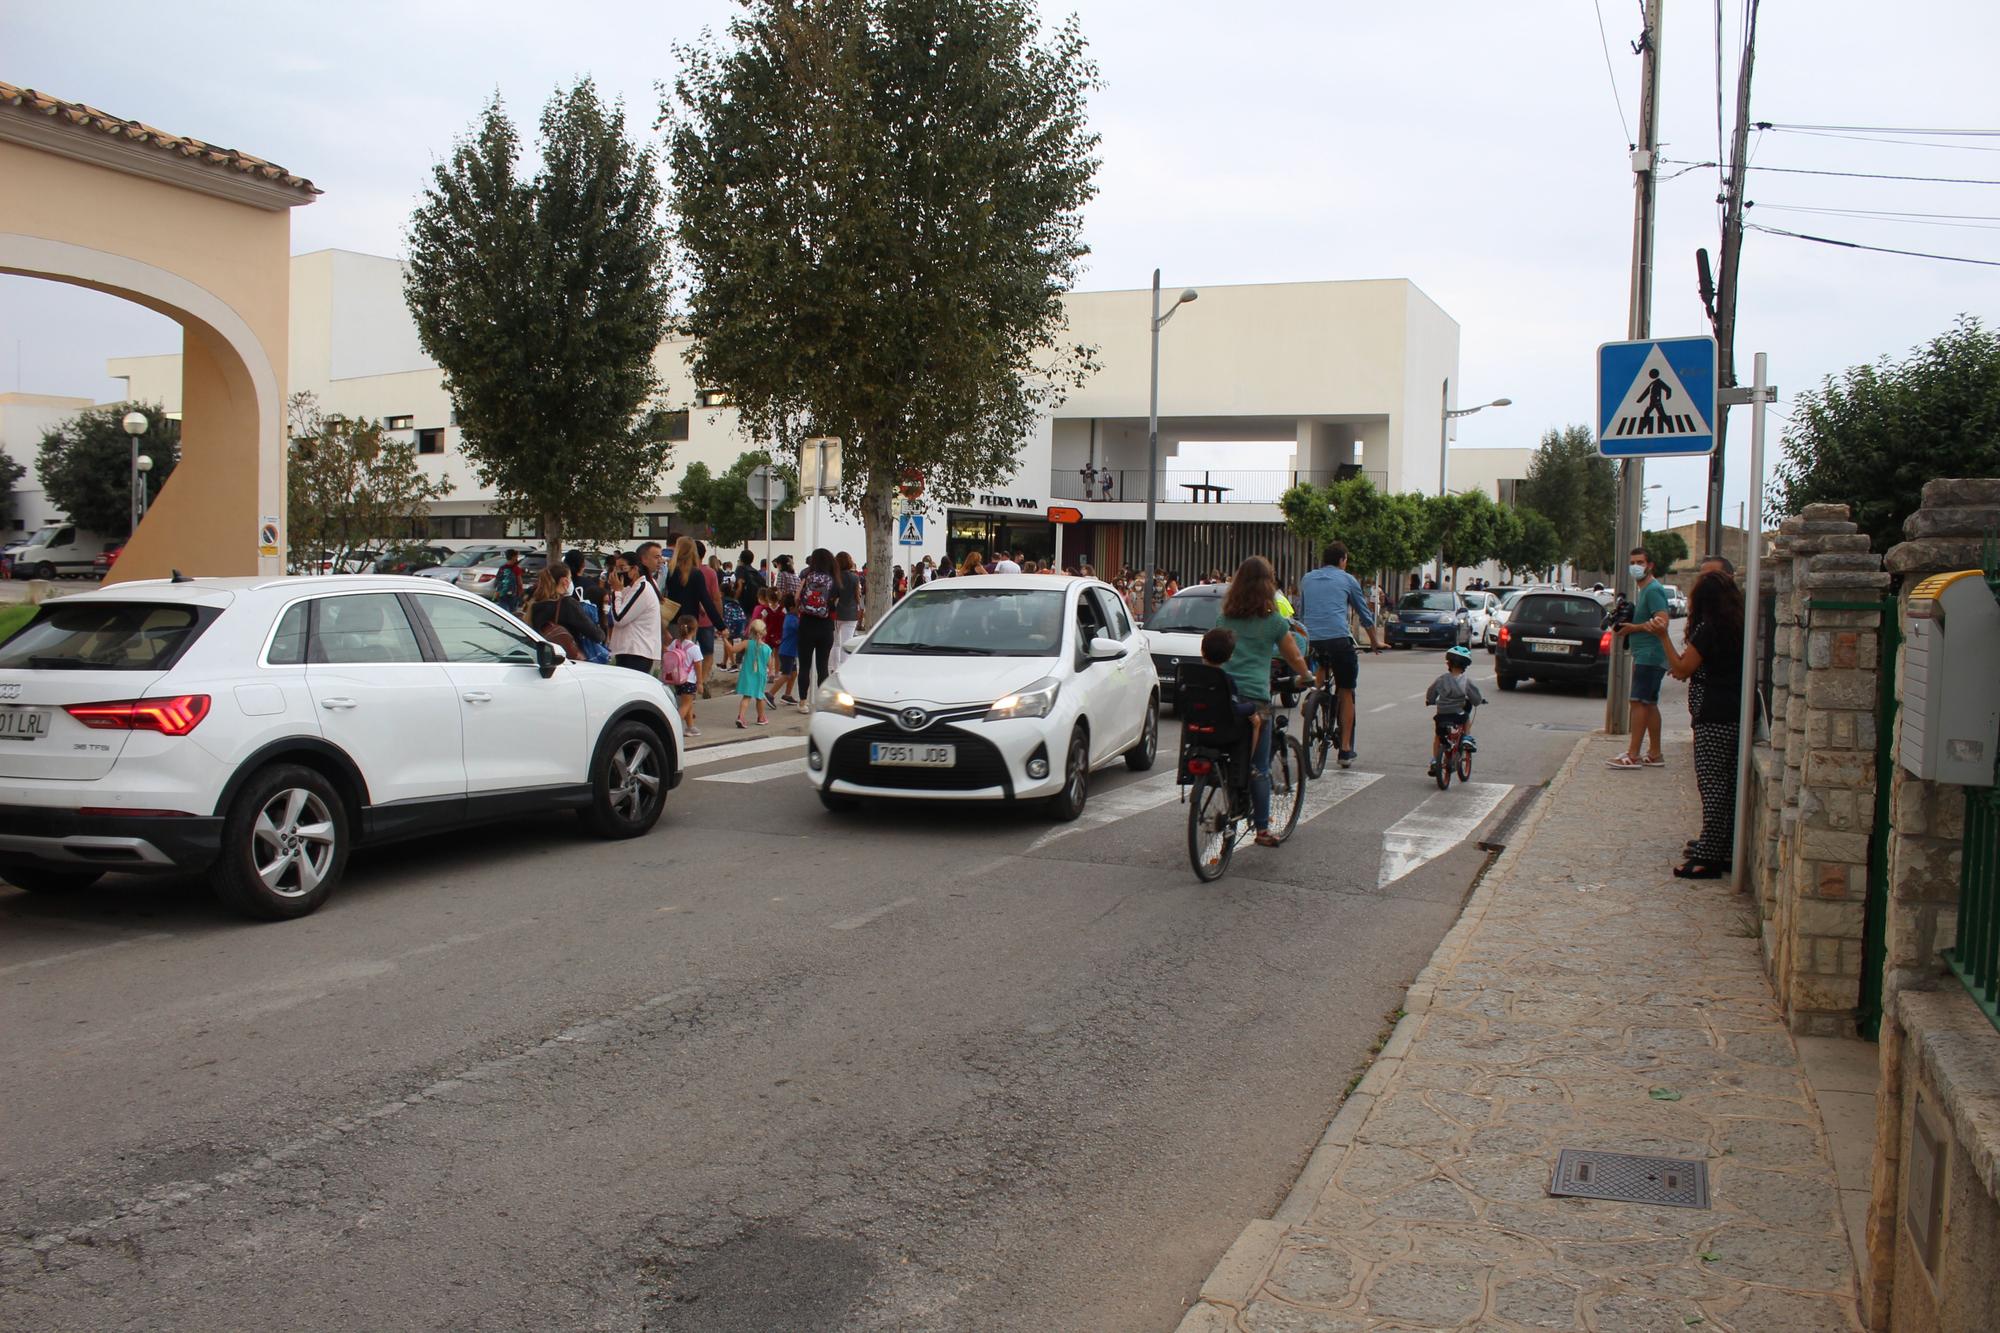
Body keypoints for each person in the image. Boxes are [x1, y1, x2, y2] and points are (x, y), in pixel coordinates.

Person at [1647, 569, 1745, 878]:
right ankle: (1724, 847)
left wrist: (1663, 636)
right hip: (1736, 711)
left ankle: (1709, 858)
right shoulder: (1738, 626)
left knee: (1712, 784)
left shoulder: (1709, 630)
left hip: (1713, 714)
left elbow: (1681, 669)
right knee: (1728, 786)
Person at [1216, 555, 1312, 848]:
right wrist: (1307, 676)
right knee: (1259, 766)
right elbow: (1294, 656)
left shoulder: (1225, 618)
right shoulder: (1273, 622)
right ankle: (1261, 830)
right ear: (1268, 585)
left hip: (1225, 696)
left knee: (1230, 752)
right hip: (1255, 699)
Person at [1297, 541, 1379, 768]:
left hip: (1311, 640)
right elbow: (1364, 614)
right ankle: (1344, 749)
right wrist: (1374, 643)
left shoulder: (1307, 578)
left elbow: (1302, 613)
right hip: (1338, 640)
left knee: (1323, 663)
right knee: (1346, 690)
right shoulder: (1348, 579)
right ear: (1343, 559)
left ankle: (1312, 695)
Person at [1609, 545, 1673, 770]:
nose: (1635, 567)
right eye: (1633, 563)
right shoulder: (1645, 590)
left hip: (1650, 654)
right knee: (1649, 703)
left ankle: (1633, 754)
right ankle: (1655, 753)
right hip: (1647, 654)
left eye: (1640, 563)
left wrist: (1633, 628)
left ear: (1650, 565)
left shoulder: (1653, 590)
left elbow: (1661, 622)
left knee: (1637, 702)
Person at [660, 537, 727, 697]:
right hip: (690, 622)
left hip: (671, 621)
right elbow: (707, 600)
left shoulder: (668, 571)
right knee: (688, 661)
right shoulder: (696, 574)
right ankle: (687, 697)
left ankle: (671, 694)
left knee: (673, 660)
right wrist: (721, 625)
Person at [1199, 626, 1262, 757]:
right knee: (1256, 722)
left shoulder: (1192, 676)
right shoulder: (1225, 680)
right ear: (1229, 657)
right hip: (1221, 730)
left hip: (1195, 726)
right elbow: (1233, 708)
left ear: (1202, 650)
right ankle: (1246, 763)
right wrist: (1251, 707)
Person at [1426, 645, 1485, 777]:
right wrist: (1478, 701)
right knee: (1466, 716)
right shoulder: (1466, 682)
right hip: (1458, 714)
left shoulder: (1441, 680)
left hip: (1442, 715)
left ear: (1448, 663)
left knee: (1438, 736)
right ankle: (1467, 738)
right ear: (1466, 665)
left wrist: (1430, 700)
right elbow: (1475, 698)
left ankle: (1435, 760)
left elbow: (1431, 693)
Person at [524, 564, 605, 660]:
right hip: (568, 659)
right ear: (565, 581)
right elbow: (598, 635)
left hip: (543, 658)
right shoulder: (567, 604)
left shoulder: (534, 604)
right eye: (570, 578)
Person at [796, 548, 839, 711]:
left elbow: (796, 597)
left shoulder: (807, 576)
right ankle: (823, 703)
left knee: (805, 666)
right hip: (825, 627)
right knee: (823, 666)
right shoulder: (834, 580)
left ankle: (802, 702)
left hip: (806, 625)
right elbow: (836, 604)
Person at [605, 552, 661, 674]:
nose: (619, 573)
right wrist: (619, 590)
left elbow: (619, 618)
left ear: (634, 569)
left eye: (622, 568)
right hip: (628, 651)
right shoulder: (633, 588)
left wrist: (616, 592)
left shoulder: (642, 588)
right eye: (617, 568)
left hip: (636, 653)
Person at [662, 615, 701, 736]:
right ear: (694, 630)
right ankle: (673, 728)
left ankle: (690, 727)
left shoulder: (675, 643)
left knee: (687, 704)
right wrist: (700, 682)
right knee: (686, 704)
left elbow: (667, 652)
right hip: (689, 681)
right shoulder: (694, 648)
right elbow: (698, 667)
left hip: (677, 679)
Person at [832, 550, 865, 667]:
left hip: (837, 613)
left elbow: (833, 595)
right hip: (851, 613)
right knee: (847, 642)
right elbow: (857, 595)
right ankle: (845, 666)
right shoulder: (855, 577)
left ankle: (834, 667)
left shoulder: (835, 577)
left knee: (836, 643)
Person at [775, 591, 801, 704]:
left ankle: (787, 695)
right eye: (798, 606)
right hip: (787, 652)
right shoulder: (792, 620)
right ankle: (770, 693)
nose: (799, 608)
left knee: (794, 673)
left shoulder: (792, 618)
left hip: (790, 652)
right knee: (786, 674)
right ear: (791, 607)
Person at [493, 548, 527, 614]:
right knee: (512, 612)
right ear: (513, 557)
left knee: (503, 610)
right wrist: (521, 593)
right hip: (513, 594)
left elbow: (497, 580)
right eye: (516, 556)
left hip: (502, 593)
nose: (517, 557)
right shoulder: (516, 569)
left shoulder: (502, 568)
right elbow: (519, 583)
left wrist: (497, 591)